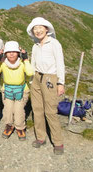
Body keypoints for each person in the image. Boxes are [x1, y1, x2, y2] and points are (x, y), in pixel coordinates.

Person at [26, 17, 65, 155]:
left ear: (46, 29)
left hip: (50, 78)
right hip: (36, 77)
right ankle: (41, 137)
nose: (37, 31)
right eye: (35, 29)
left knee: (50, 111)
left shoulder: (54, 43)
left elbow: (60, 63)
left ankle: (58, 141)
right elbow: (33, 63)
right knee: (37, 109)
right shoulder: (35, 45)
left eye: (40, 27)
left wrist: (60, 83)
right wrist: (31, 80)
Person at [0, 41, 34, 140]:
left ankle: (20, 127)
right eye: (8, 52)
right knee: (8, 110)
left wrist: (26, 59)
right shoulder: (3, 64)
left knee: (18, 111)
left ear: (18, 53)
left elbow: (30, 72)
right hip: (7, 90)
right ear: (5, 53)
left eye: (14, 51)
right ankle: (9, 125)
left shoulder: (22, 63)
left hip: (21, 90)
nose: (11, 54)